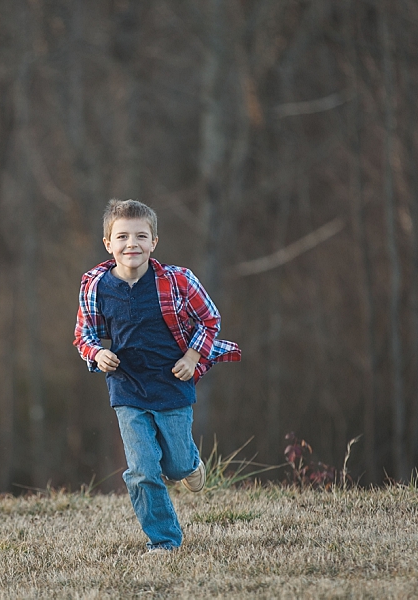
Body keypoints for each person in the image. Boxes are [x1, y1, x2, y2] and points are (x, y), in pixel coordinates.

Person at [73, 199, 240, 553]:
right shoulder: (95, 286)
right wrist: (98, 353)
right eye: (122, 237)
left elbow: (210, 319)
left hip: (172, 383)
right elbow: (83, 336)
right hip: (127, 389)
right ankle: (164, 541)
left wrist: (193, 357)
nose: (131, 244)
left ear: (154, 242)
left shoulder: (178, 281)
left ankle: (191, 462)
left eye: (140, 236)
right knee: (143, 470)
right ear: (108, 244)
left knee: (176, 466)